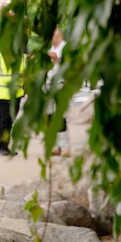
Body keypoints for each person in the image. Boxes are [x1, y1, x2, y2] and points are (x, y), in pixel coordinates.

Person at [0, 49, 25, 156]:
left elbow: (25, 76)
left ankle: (6, 146)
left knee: (10, 122)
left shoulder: (22, 58)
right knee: (4, 121)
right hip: (3, 96)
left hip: (17, 95)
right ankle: (2, 147)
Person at [47, 28, 70, 157]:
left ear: (60, 35)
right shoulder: (51, 48)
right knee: (50, 117)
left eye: (54, 34)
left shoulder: (64, 47)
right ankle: (55, 146)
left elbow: (56, 58)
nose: (52, 37)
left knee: (60, 116)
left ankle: (65, 147)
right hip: (49, 85)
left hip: (61, 85)